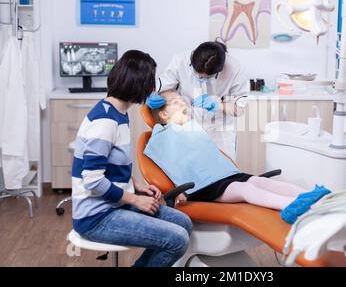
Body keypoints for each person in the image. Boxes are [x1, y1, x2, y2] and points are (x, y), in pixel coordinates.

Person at [71, 51, 193, 267]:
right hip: (96, 217)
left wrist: (138, 187)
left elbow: (111, 167)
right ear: (140, 85)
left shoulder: (119, 112)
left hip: (113, 204)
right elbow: (92, 181)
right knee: (177, 239)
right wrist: (136, 200)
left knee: (183, 222)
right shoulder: (104, 122)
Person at [144, 91, 331, 222]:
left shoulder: (191, 127)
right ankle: (291, 206)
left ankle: (312, 196)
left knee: (259, 182)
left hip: (224, 174)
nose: (183, 103)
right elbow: (167, 155)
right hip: (205, 186)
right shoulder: (161, 134)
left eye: (181, 100)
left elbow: (209, 151)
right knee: (244, 189)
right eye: (175, 102)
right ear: (164, 114)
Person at [156, 41, 248, 160]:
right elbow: (164, 89)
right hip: (187, 125)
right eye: (196, 73)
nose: (199, 78)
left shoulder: (235, 69)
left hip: (220, 130)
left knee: (223, 170)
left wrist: (220, 106)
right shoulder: (180, 60)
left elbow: (240, 108)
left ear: (219, 71)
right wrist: (172, 100)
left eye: (206, 77)